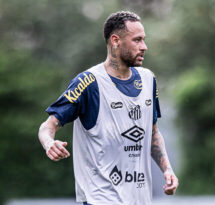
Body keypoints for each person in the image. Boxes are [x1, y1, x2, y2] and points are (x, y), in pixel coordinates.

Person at [38, 11, 178, 205]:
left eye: (144, 40)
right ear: (115, 40)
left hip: (140, 200)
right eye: (137, 40)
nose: (144, 47)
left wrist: (167, 169)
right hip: (99, 199)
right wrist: (48, 143)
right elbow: (48, 126)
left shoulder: (148, 80)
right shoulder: (88, 83)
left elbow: (153, 133)